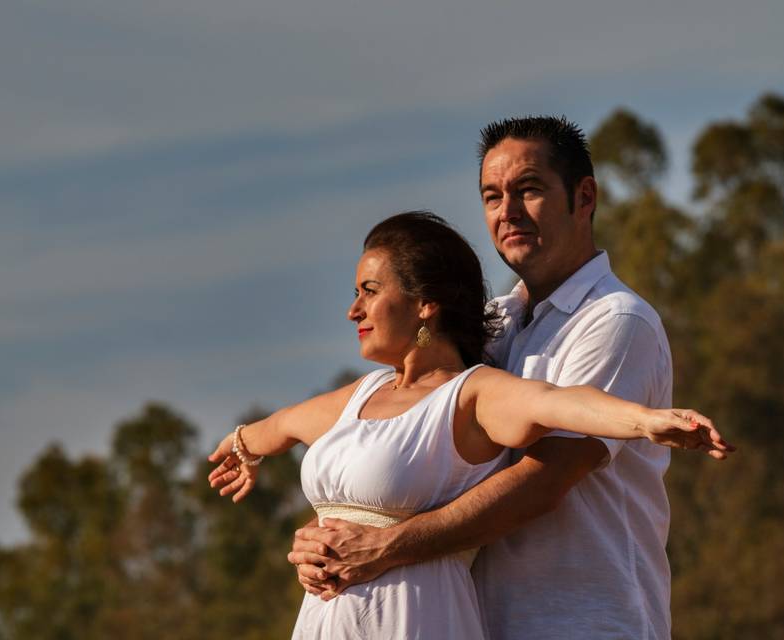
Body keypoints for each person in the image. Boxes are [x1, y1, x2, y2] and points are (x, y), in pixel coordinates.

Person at [208, 212, 732, 639]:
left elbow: (560, 403)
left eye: (369, 291)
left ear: (426, 303)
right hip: (325, 621)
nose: (353, 310)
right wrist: (244, 448)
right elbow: (278, 427)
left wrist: (644, 420)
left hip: (416, 618)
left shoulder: (471, 394)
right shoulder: (361, 394)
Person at [288, 117, 688, 639]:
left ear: (584, 196)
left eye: (529, 190)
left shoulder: (616, 321)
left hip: (588, 620)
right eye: (493, 196)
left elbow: (546, 480)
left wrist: (385, 546)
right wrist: (325, 539)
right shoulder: (492, 323)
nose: (508, 212)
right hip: (478, 620)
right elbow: (405, 451)